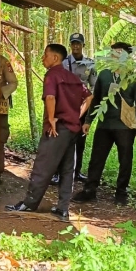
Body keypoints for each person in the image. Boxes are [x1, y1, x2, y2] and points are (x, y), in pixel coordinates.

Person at [6, 44, 93, 221]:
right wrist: (77, 115)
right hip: (72, 129)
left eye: (45, 55)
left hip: (57, 129)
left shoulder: (52, 75)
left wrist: (52, 118)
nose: (43, 59)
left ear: (55, 58)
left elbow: (51, 97)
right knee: (67, 169)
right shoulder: (72, 77)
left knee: (43, 166)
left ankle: (29, 204)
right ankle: (63, 208)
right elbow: (89, 96)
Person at [72, 42, 136, 206]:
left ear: (127, 56)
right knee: (97, 158)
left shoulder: (134, 77)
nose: (115, 55)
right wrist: (88, 121)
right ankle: (90, 190)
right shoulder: (104, 75)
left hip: (125, 127)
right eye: (113, 52)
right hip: (104, 125)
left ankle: (121, 192)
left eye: (119, 52)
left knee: (125, 159)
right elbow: (96, 99)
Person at [50, 32, 97, 185]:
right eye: (73, 43)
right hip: (63, 108)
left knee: (79, 142)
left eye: (78, 43)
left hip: (81, 109)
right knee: (60, 140)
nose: (75, 46)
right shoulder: (62, 63)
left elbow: (94, 85)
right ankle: (57, 173)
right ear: (70, 45)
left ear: (83, 45)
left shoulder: (90, 64)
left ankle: (77, 173)